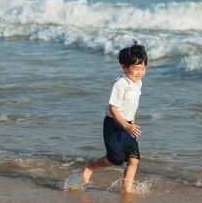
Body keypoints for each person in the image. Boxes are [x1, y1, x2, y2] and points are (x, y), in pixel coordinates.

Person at [62, 41, 147, 193]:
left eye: (143, 67)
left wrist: (131, 124)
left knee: (134, 159)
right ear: (124, 67)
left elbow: (133, 106)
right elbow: (113, 109)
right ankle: (91, 166)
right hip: (114, 125)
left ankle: (126, 189)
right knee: (116, 160)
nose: (140, 72)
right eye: (136, 68)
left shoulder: (138, 83)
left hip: (128, 126)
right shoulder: (120, 84)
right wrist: (126, 126)